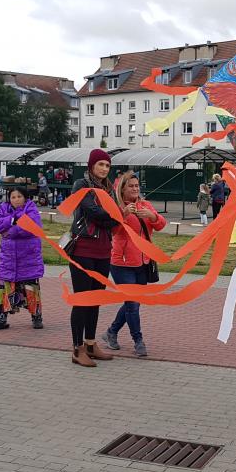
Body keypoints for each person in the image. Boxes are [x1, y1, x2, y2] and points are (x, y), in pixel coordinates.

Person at [100, 171, 166, 357]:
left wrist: (152, 217)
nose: (135, 189)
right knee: (132, 303)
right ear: (123, 189)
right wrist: (122, 214)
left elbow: (161, 225)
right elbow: (112, 230)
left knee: (133, 303)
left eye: (137, 186)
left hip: (143, 262)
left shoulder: (145, 205)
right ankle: (138, 341)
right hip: (122, 263)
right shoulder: (117, 206)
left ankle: (111, 332)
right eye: (131, 186)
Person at [68, 149, 118, 367]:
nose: (104, 169)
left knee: (96, 299)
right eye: (100, 165)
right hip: (83, 249)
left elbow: (114, 221)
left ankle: (90, 344)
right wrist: (114, 216)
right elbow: (92, 212)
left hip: (103, 250)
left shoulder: (109, 189)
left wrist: (114, 217)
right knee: (82, 300)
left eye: (107, 166)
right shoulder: (82, 185)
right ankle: (77, 349)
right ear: (91, 166)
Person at [0, 187, 44, 331]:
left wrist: (10, 230)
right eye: (13, 197)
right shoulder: (3, 208)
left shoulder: (31, 209)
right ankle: (1, 319)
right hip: (9, 259)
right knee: (4, 288)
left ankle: (36, 317)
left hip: (28, 259)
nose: (16, 199)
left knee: (31, 288)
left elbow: (31, 227)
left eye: (19, 196)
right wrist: (13, 219)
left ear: (25, 197)